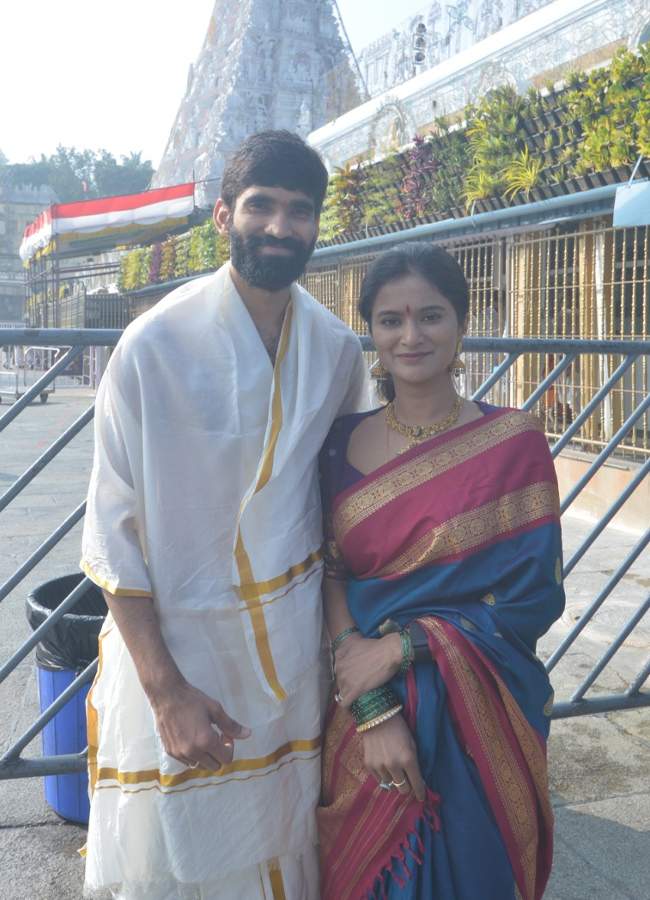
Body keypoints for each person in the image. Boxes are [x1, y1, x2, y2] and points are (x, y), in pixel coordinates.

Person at [80, 130, 368, 900]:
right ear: (222, 216)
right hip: (179, 657)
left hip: (291, 658)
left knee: (285, 847)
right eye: (261, 206)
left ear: (316, 224)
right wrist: (166, 692)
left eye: (299, 211)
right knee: (179, 865)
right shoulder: (153, 347)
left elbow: (347, 506)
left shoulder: (337, 352)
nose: (279, 227)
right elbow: (113, 534)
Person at [317, 242, 565, 900]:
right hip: (361, 710)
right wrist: (369, 697)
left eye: (430, 316)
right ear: (370, 330)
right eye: (390, 320)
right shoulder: (339, 442)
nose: (410, 335)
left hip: (475, 711)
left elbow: (532, 596)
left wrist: (402, 646)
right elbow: (331, 574)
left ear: (461, 324)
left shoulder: (515, 441)